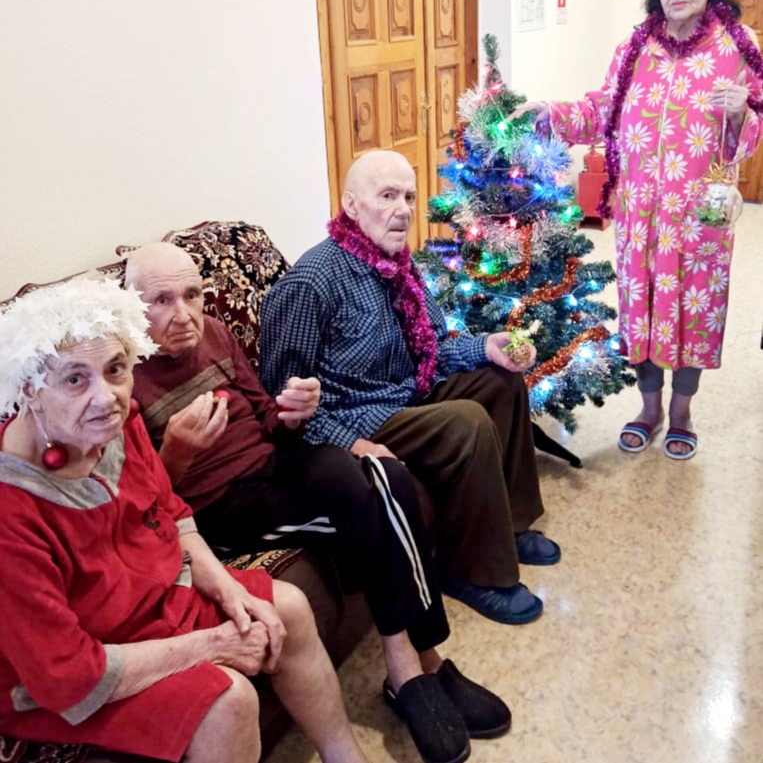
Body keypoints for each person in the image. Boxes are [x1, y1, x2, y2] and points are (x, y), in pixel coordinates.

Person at [125, 242, 511, 763]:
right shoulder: (124, 377)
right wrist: (175, 453)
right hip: (220, 504)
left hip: (271, 464)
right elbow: (143, 505)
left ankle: (419, 660)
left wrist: (291, 412)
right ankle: (417, 666)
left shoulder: (213, 332)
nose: (184, 314)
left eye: (192, 295)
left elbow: (266, 416)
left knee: (388, 475)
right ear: (130, 306)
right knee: (378, 505)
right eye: (161, 301)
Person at [0, 277, 369, 763]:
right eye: (74, 379)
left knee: (291, 608)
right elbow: (66, 675)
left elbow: (171, 512)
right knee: (229, 701)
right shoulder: (10, 510)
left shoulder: (117, 422)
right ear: (30, 388)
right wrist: (213, 644)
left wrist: (228, 589)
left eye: (115, 369)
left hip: (152, 601)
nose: (106, 397)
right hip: (72, 667)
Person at [259, 150, 561, 629]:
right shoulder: (311, 282)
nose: (402, 210)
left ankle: (511, 523)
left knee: (500, 381)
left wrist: (487, 346)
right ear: (351, 206)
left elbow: (434, 349)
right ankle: (471, 571)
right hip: (359, 417)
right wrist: (350, 443)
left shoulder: (399, 264)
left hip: (409, 394)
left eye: (409, 197)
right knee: (466, 421)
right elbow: (280, 403)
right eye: (387, 196)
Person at [515, 0, 763, 460]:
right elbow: (601, 110)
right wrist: (551, 113)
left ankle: (682, 411)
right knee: (641, 309)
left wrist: (742, 112)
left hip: (698, 218)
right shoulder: (636, 48)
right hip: (639, 214)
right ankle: (650, 409)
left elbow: (750, 136)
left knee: (693, 312)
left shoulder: (738, 48)